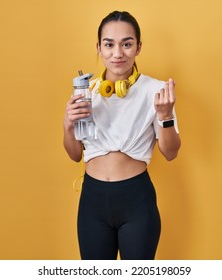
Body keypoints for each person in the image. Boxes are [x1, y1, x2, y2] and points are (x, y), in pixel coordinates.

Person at [63, 10, 181, 260]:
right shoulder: (86, 92)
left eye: (127, 44)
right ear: (99, 47)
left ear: (138, 47)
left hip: (136, 201)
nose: (118, 54)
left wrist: (165, 116)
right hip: (92, 201)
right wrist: (68, 124)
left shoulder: (157, 91)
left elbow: (170, 153)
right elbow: (75, 155)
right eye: (109, 45)